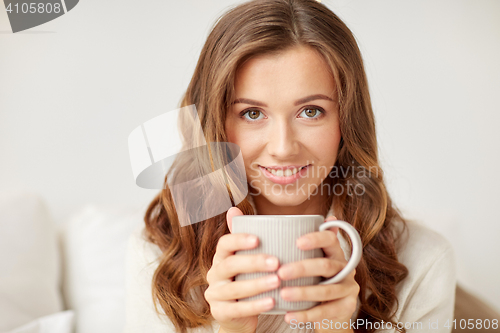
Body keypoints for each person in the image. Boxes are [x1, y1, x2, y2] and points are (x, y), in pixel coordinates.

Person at [123, 0, 456, 332]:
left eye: (310, 111)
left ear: (347, 121)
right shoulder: (160, 256)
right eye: (252, 113)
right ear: (215, 126)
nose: (283, 148)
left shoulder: (423, 261)